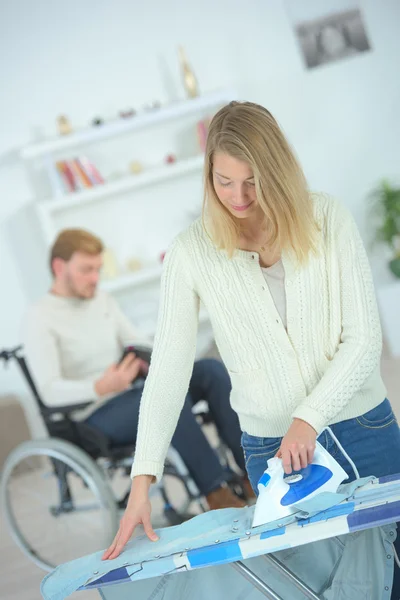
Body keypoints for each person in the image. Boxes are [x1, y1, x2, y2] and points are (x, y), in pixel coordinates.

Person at [103, 101, 400, 596]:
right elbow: (168, 374)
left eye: (252, 180)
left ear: (276, 170)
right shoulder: (191, 252)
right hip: (275, 450)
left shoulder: (327, 217)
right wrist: (141, 483)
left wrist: (308, 419)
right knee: (312, 585)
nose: (237, 197)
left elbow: (365, 340)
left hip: (362, 425)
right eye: (223, 181)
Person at [22, 228, 254, 511]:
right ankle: (216, 492)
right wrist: (99, 387)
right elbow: (49, 391)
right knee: (163, 398)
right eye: (86, 270)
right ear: (59, 267)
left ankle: (252, 472)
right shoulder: (39, 318)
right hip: (92, 414)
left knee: (210, 371)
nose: (95, 278)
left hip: (134, 390)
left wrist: (150, 358)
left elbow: (135, 340)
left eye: (98, 269)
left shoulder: (102, 300)